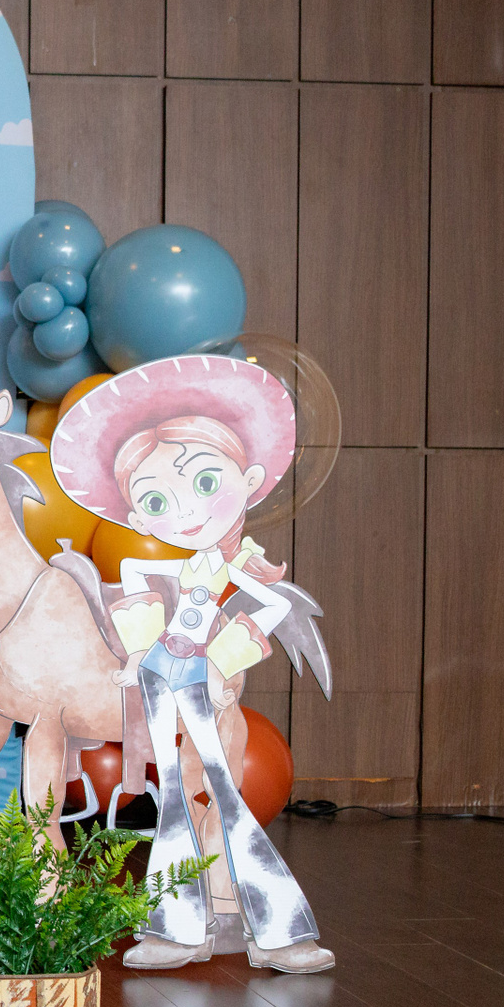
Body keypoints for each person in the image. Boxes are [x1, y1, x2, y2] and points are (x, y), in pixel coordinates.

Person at [49, 355, 335, 974]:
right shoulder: (162, 568)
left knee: (223, 792)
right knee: (176, 794)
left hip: (207, 684)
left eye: (205, 483)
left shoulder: (241, 570)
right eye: (155, 499)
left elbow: (263, 617)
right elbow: (136, 596)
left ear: (250, 479)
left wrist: (225, 667)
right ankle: (182, 927)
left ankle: (277, 928)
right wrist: (138, 655)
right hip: (161, 679)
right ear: (134, 515)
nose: (182, 512)